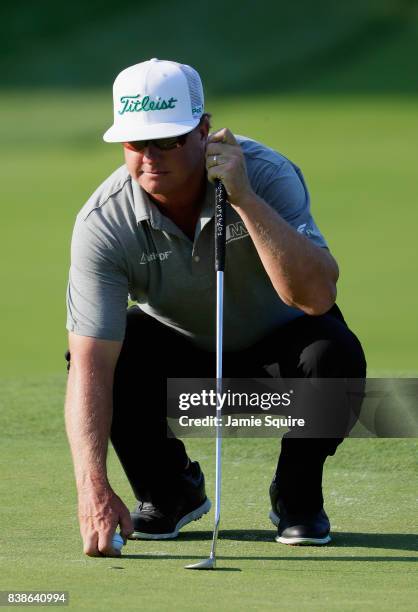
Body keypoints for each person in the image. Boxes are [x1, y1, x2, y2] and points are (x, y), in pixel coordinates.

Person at [64, 58, 366, 557]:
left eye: (170, 140)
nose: (151, 157)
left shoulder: (265, 174)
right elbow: (91, 365)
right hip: (180, 350)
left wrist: (244, 197)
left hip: (281, 345)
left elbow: (315, 297)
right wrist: (90, 486)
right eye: (137, 143)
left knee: (333, 353)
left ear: (204, 131)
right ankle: (168, 491)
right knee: (108, 355)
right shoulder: (104, 222)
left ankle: (296, 495)